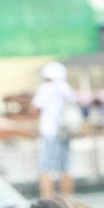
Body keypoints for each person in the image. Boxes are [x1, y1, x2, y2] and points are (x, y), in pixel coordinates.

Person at [32, 60, 77, 198]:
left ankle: (47, 200)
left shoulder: (45, 88)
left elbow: (35, 109)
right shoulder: (66, 89)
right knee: (66, 168)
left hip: (50, 132)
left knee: (46, 167)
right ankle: (67, 200)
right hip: (66, 131)